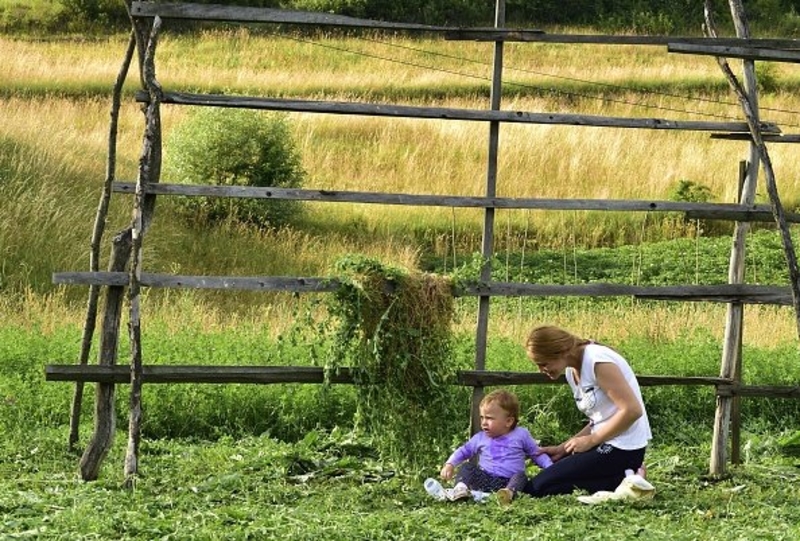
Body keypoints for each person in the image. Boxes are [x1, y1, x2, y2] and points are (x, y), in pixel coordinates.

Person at [521, 325, 652, 498]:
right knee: (545, 483)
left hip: (624, 447)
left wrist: (591, 440)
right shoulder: (571, 371)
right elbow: (599, 419)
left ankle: (625, 478)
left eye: (543, 363)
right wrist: (563, 449)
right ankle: (626, 478)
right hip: (605, 443)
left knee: (537, 488)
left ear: (560, 351)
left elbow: (632, 410)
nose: (541, 370)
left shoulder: (598, 361)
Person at [425, 389, 552, 505]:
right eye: (482, 417)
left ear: (508, 421)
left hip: (508, 482)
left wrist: (551, 468)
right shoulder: (480, 438)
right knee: (467, 467)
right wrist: (450, 464)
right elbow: (464, 451)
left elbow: (537, 453)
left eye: (489, 418)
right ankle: (460, 489)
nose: (484, 422)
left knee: (521, 476)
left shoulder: (521, 435)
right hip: (485, 478)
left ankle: (507, 494)